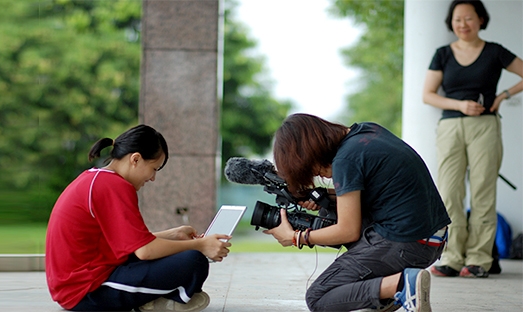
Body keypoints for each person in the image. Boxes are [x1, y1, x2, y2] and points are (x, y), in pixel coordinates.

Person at [264, 113, 451, 312]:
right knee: (330, 213)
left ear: (310, 151)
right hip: (431, 237)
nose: (316, 175)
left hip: (409, 244)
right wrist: (324, 198)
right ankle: (388, 295)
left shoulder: (345, 160)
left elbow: (348, 231)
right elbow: (374, 190)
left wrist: (296, 237)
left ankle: (401, 285)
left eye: (311, 169)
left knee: (318, 297)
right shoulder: (366, 132)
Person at [45, 124, 231, 312]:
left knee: (183, 255)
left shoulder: (97, 178)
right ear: (135, 159)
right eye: (154, 168)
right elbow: (145, 251)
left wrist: (173, 235)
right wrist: (200, 245)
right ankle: (161, 301)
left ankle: (157, 299)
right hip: (86, 291)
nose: (153, 178)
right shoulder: (113, 185)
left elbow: (129, 244)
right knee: (193, 260)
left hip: (81, 283)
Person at [422, 0, 523, 278]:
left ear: (480, 19)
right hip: (451, 127)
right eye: (457, 19)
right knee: (450, 192)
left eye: (468, 18)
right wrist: (460, 105)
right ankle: (452, 257)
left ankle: (479, 258)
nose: (462, 24)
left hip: (485, 127)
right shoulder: (442, 53)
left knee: (483, 191)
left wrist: (504, 96)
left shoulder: (495, 52)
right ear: (451, 22)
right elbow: (427, 94)